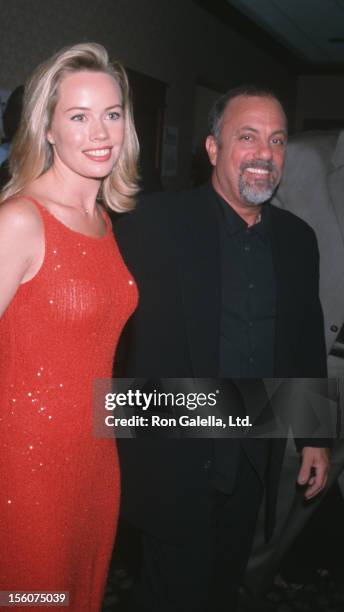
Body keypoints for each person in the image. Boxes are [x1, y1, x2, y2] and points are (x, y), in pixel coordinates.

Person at [114, 86, 330, 612]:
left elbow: (304, 339)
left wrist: (315, 437)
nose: (265, 153)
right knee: (171, 594)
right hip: (172, 457)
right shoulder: (151, 224)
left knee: (222, 588)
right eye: (248, 136)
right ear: (212, 148)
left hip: (253, 460)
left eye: (277, 141)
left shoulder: (299, 240)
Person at [0, 43, 139, 610]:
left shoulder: (104, 218)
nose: (99, 131)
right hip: (27, 471)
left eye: (111, 113)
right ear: (48, 130)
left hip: (96, 462)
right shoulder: (18, 221)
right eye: (78, 116)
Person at [244, 128, 344, 595]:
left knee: (318, 488)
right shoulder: (299, 158)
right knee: (286, 488)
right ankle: (244, 586)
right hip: (312, 364)